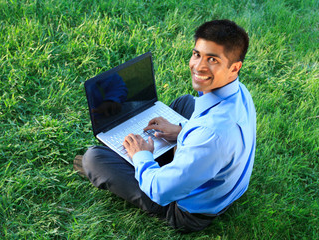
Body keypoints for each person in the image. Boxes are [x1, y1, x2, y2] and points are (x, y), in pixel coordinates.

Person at [74, 19, 256, 233]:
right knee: (184, 103)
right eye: (197, 54)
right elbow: (210, 135)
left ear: (234, 67)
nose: (198, 67)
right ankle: (169, 152)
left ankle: (125, 166)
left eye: (213, 59)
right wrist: (181, 132)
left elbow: (160, 191)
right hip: (223, 180)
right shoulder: (239, 91)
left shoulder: (211, 134)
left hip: (188, 212)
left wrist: (141, 156)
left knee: (94, 159)